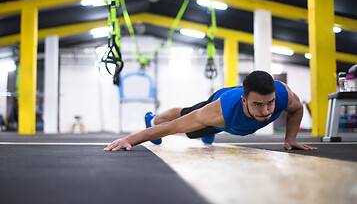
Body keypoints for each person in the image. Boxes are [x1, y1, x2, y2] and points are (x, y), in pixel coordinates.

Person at [104, 71, 317, 151]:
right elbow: (172, 127)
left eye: (269, 103)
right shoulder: (217, 112)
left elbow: (297, 110)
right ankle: (152, 118)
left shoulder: (283, 94)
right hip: (218, 106)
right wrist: (130, 140)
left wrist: (290, 138)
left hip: (228, 120)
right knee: (186, 118)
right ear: (245, 100)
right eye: (257, 105)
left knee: (199, 129)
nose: (266, 111)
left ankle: (211, 133)